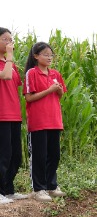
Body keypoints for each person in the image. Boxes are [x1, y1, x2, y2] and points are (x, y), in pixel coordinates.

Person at [23, 42, 67, 202]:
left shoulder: (55, 73)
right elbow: (29, 97)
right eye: (45, 54)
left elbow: (59, 96)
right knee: (39, 156)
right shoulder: (32, 73)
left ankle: (51, 186)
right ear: (36, 56)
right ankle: (38, 189)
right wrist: (49, 90)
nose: (49, 57)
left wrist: (59, 90)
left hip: (54, 120)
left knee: (54, 155)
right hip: (39, 121)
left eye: (51, 55)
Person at [0, 28, 29, 204]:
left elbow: (17, 85)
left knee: (15, 155)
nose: (10, 43)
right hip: (1, 115)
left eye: (11, 40)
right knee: (2, 155)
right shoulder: (7, 64)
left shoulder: (11, 64)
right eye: (5, 39)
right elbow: (6, 76)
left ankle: (8, 190)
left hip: (14, 115)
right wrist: (9, 57)